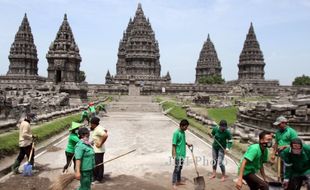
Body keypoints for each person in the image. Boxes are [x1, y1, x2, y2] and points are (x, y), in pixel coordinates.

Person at [271, 116, 298, 181]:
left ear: (284, 123)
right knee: (280, 172)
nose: (278, 126)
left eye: (279, 124)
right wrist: (273, 154)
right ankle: (282, 183)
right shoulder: (278, 132)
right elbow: (276, 143)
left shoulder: (292, 132)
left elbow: (296, 145)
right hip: (280, 155)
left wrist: (285, 146)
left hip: (289, 155)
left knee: (287, 171)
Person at [172, 119, 192, 189]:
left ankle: (179, 181)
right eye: (186, 127)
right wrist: (173, 153)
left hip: (183, 154)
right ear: (181, 126)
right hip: (178, 154)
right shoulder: (176, 133)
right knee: (176, 169)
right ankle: (174, 183)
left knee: (180, 168)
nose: (186, 129)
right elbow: (174, 144)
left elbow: (182, 141)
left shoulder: (183, 132)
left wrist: (187, 144)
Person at [90, 117, 108, 184]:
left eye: (91, 124)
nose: (90, 125)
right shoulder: (99, 127)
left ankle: (98, 179)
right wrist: (94, 141)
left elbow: (105, 135)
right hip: (98, 150)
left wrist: (100, 143)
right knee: (97, 164)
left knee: (99, 165)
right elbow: (105, 130)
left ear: (93, 124)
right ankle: (97, 177)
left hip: (99, 150)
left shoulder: (98, 129)